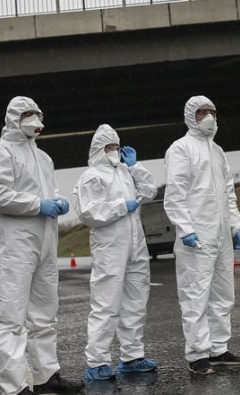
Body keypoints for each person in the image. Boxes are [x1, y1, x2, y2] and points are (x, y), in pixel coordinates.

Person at [0, 96, 84, 395]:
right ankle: (14, 387)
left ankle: (47, 377)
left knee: (45, 315)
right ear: (13, 118)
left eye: (37, 114)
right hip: (15, 245)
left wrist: (58, 201)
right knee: (10, 318)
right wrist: (38, 205)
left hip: (46, 243)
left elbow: (48, 191)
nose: (35, 120)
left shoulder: (44, 158)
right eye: (28, 114)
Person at [164, 95, 240, 375]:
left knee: (224, 293)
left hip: (222, 233)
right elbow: (174, 194)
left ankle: (218, 348)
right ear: (191, 116)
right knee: (195, 295)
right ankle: (197, 353)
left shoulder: (218, 151)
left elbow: (228, 192)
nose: (209, 117)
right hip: (197, 236)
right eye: (202, 112)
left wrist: (236, 225)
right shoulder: (181, 149)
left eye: (212, 111)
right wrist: (185, 229)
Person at [72, 124, 158, 381]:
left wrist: (136, 167)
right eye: (109, 147)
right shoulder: (91, 176)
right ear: (98, 149)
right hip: (110, 247)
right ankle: (97, 362)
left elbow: (149, 192)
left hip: (136, 245)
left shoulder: (125, 172)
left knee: (136, 302)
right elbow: (89, 212)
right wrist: (121, 205)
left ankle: (132, 356)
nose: (114, 151)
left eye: (116, 147)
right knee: (106, 304)